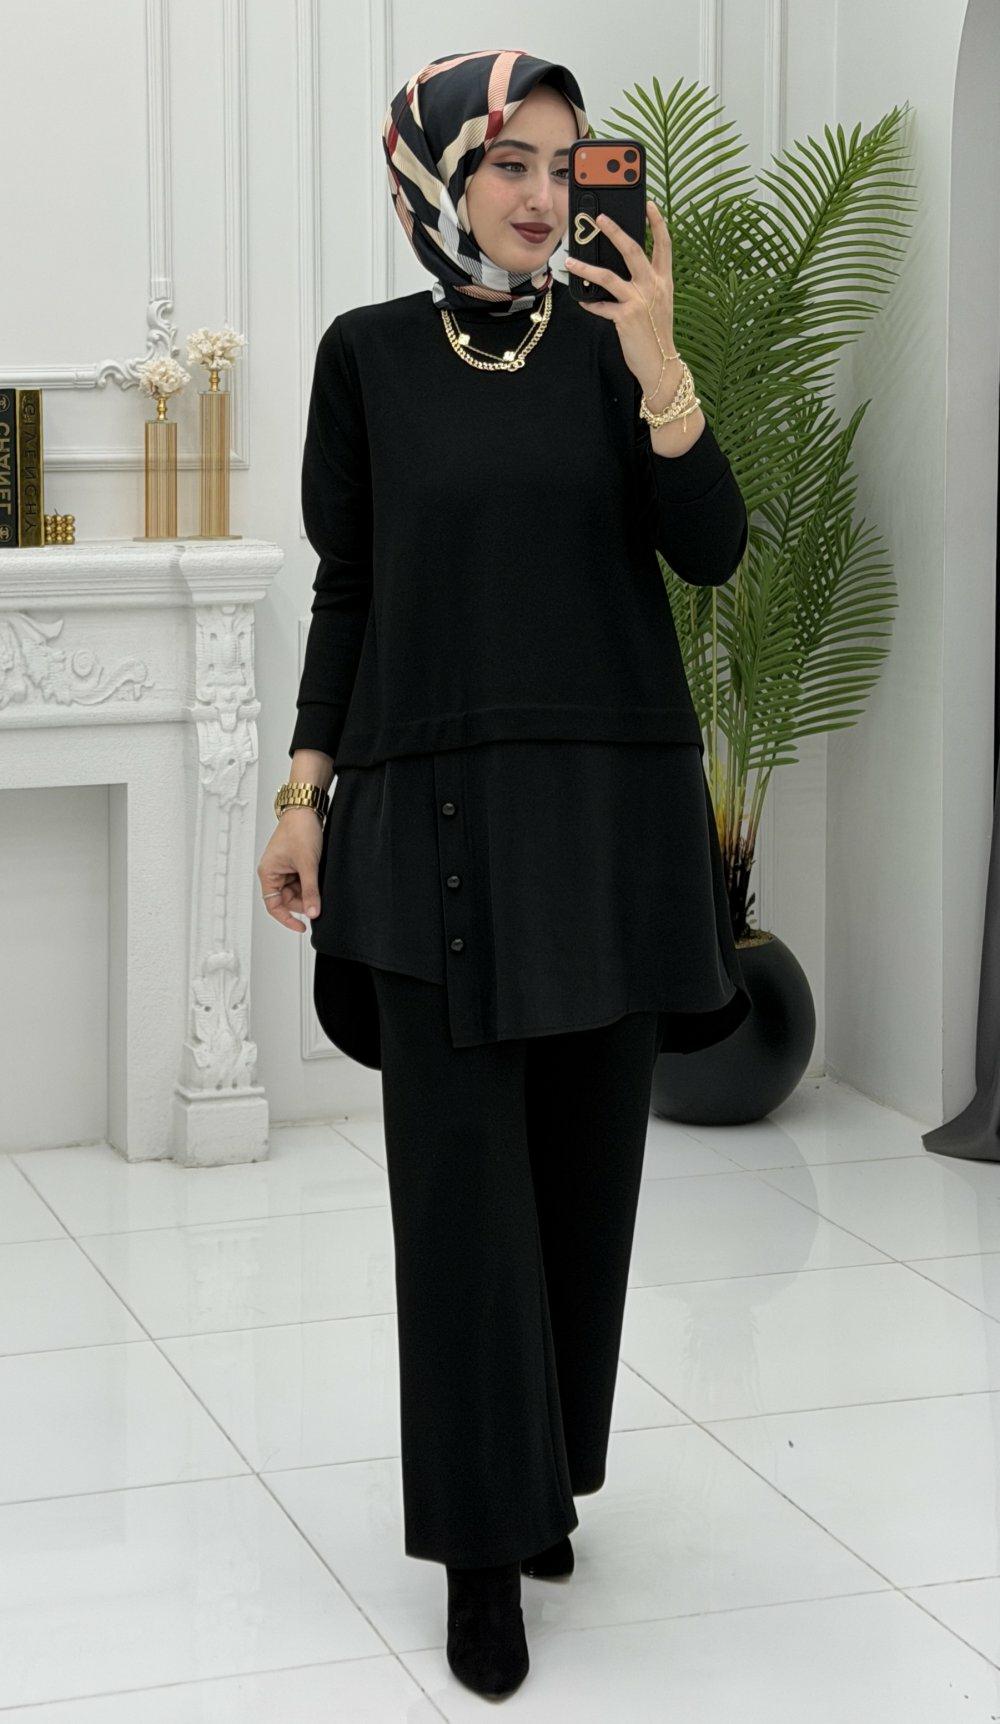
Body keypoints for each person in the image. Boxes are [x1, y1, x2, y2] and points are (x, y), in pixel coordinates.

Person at [257, 49, 751, 1701]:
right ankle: (481, 1552)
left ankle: (544, 1485)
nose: (544, 195)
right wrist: (304, 791)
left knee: (581, 1183)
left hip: (604, 816)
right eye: (510, 164)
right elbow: (350, 590)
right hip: (434, 820)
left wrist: (664, 367)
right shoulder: (367, 358)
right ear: (437, 178)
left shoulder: (616, 349)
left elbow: (710, 550)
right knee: (461, 1198)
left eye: (565, 163)